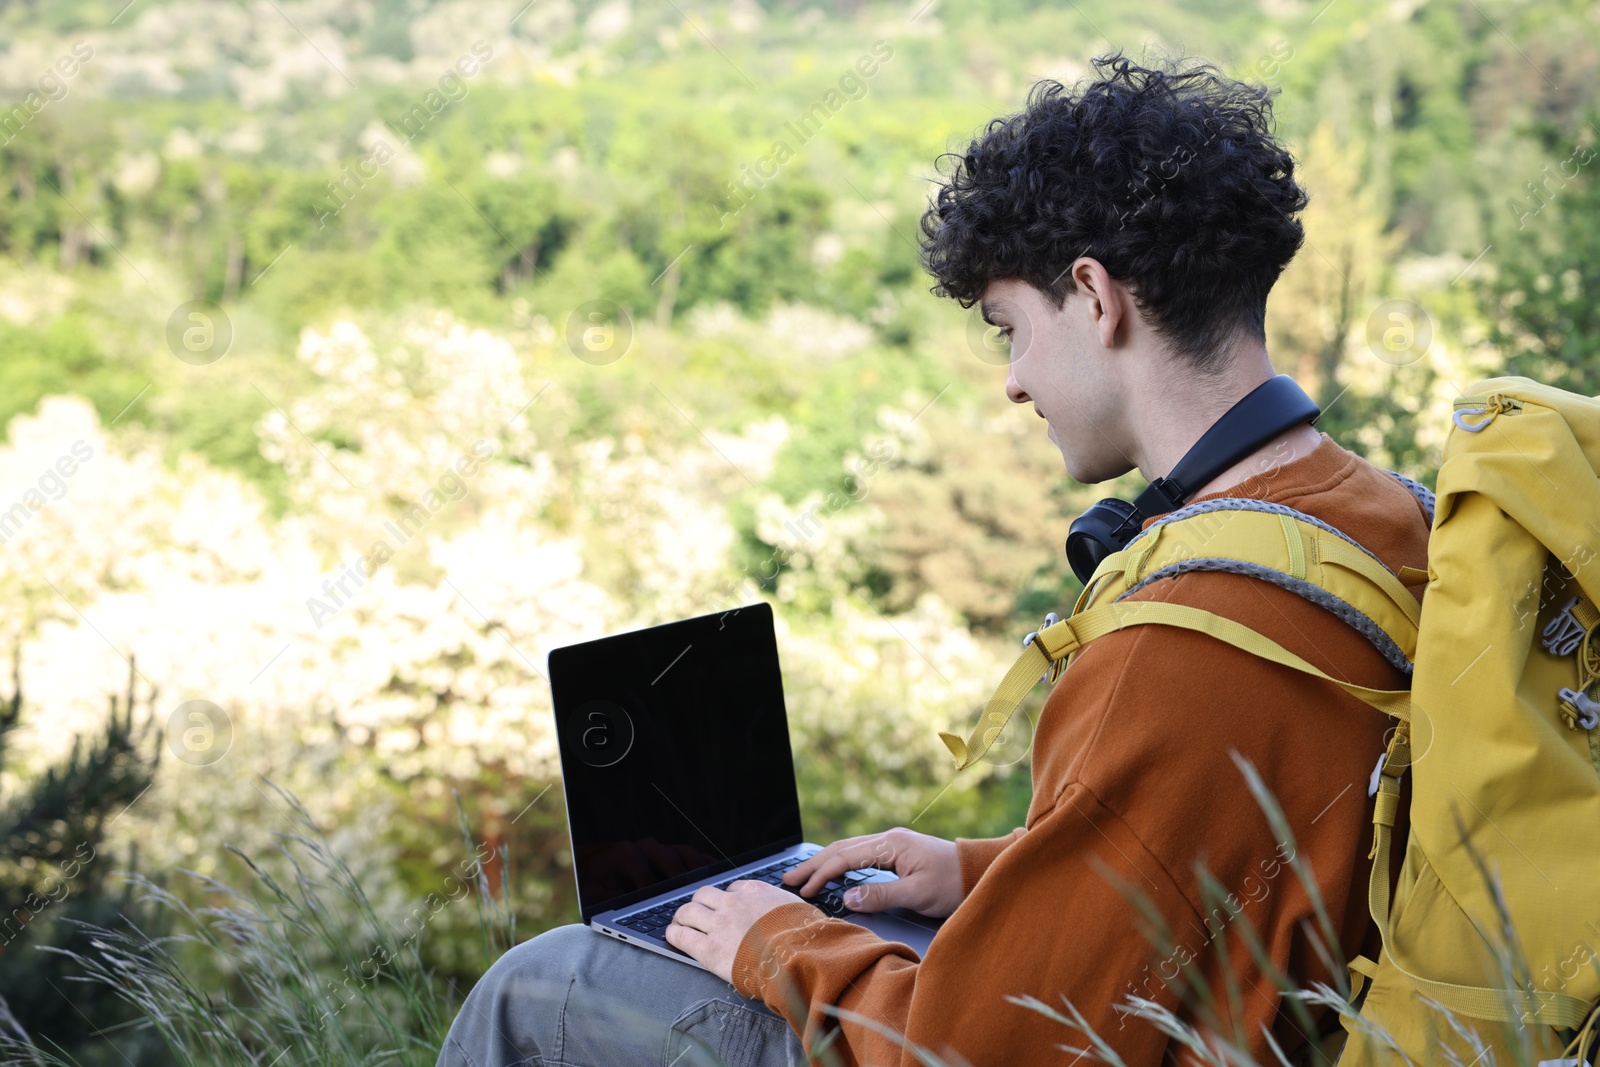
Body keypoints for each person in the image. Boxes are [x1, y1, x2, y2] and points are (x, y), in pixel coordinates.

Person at [436, 51, 1430, 1066]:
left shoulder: (1178, 645)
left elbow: (977, 1053)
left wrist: (778, 943)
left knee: (541, 983)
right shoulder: (1392, 522)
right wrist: (985, 871)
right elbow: (1235, 850)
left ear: (1094, 296)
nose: (1012, 382)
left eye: (1010, 329)